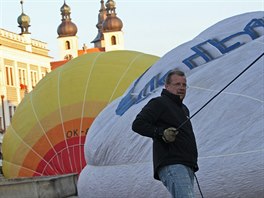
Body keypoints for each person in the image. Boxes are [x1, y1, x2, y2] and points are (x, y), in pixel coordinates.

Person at [132, 69, 198, 198]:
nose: (181, 88)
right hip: (172, 163)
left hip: (187, 165)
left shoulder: (184, 109)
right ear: (167, 86)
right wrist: (161, 132)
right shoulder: (159, 103)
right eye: (177, 84)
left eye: (184, 85)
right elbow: (138, 124)